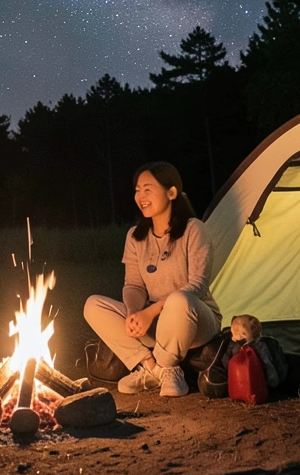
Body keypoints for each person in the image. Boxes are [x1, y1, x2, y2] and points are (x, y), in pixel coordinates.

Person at [84, 162, 221, 397]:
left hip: (194, 318)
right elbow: (134, 285)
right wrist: (134, 312)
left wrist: (151, 312)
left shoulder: (194, 229)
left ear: (171, 192)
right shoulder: (135, 236)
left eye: (148, 189)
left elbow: (198, 284)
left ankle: (165, 365)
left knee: (180, 299)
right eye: (137, 190)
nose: (141, 196)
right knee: (93, 305)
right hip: (155, 320)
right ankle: (154, 369)